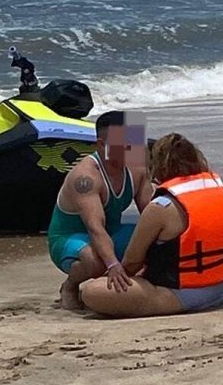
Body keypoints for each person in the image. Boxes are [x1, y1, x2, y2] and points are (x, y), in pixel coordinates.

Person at [80, 133, 223, 317]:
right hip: (221, 286)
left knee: (91, 291)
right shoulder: (217, 190)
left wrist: (113, 277)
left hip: (180, 294)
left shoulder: (160, 207)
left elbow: (132, 262)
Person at [47, 110, 156, 310]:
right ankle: (70, 286)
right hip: (71, 237)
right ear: (101, 145)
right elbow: (95, 227)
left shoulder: (138, 167)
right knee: (96, 262)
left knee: (155, 240)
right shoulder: (85, 178)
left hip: (111, 232)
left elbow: (152, 215)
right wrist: (113, 265)